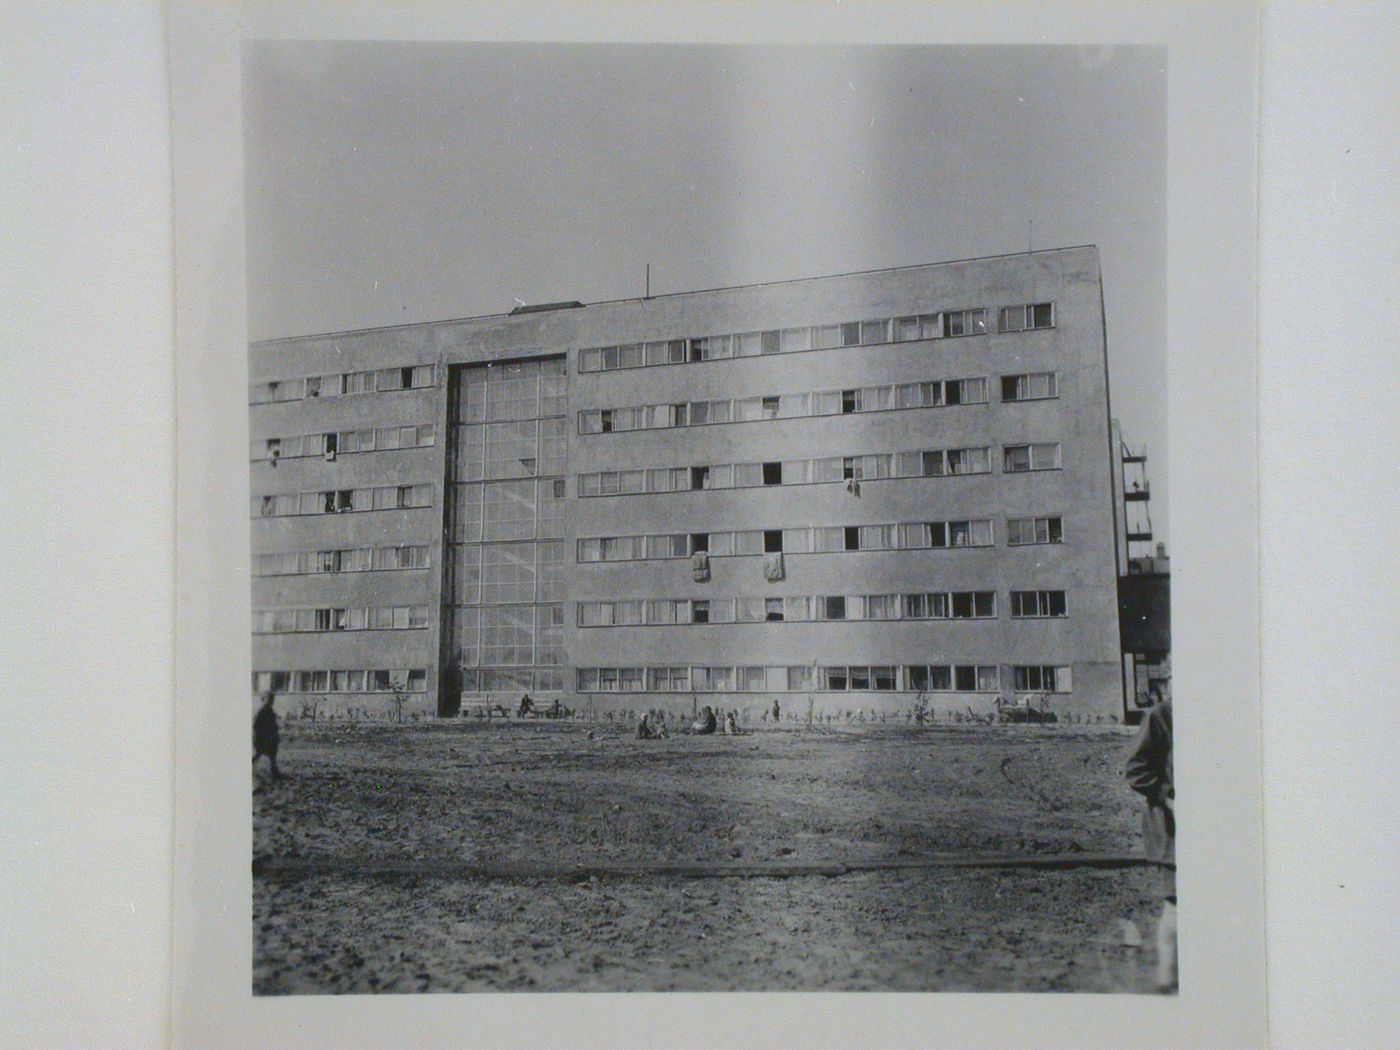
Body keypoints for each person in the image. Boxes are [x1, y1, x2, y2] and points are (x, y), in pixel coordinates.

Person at [1125, 687, 1175, 992]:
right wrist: (1166, 796)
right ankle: (1166, 981)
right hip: (1174, 830)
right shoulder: (1163, 715)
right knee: (1178, 906)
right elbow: (1136, 769)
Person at [252, 690, 282, 779]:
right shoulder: (262, 711)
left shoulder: (269, 710)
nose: (271, 701)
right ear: (263, 699)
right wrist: (264, 735)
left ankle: (274, 771)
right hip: (262, 738)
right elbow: (256, 725)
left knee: (272, 754)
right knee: (259, 753)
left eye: (272, 699)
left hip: (270, 738)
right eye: (269, 699)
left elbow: (272, 723)